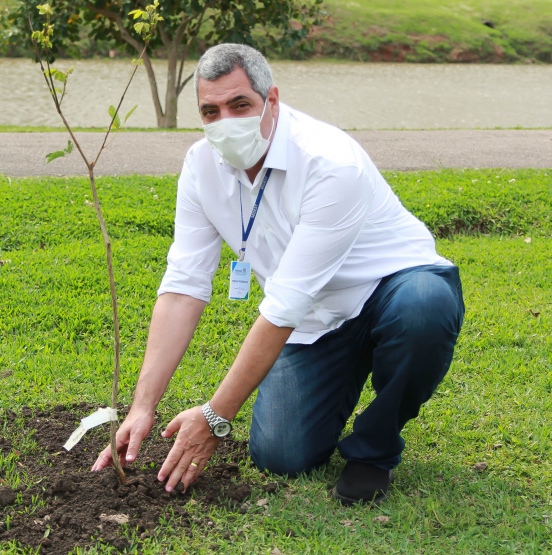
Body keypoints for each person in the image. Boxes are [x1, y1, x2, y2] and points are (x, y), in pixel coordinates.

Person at [92, 43, 465, 505]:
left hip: (392, 289)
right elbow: (184, 285)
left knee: (424, 311)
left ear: (271, 100)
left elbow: (284, 302)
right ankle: (344, 368)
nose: (225, 121)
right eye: (210, 111)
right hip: (314, 322)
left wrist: (214, 417)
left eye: (239, 104)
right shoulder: (200, 167)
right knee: (281, 454)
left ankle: (374, 451)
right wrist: (142, 405)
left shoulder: (329, 162)